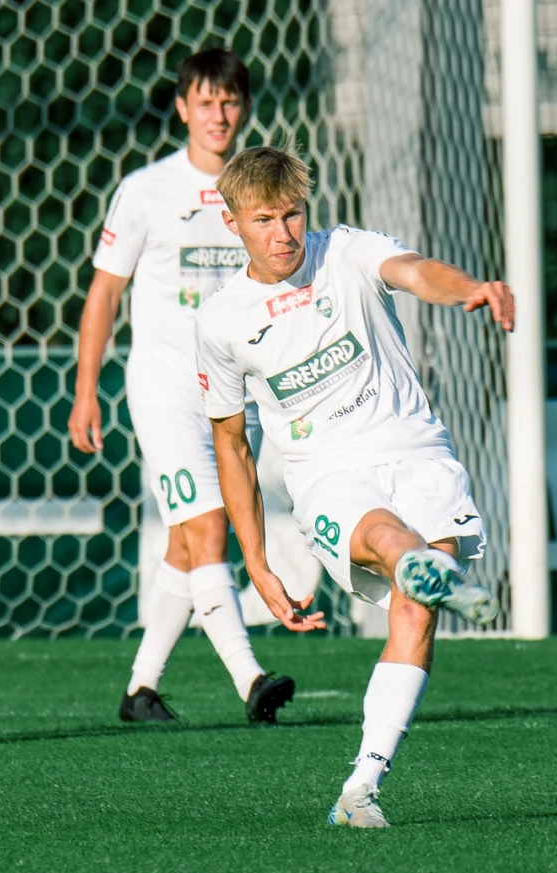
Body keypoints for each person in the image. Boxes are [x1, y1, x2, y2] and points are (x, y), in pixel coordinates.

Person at [196, 146, 514, 827]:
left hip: (416, 450)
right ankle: (417, 563)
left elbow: (414, 270)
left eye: (291, 215)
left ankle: (362, 786)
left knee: (415, 612)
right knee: (397, 549)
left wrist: (471, 288)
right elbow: (232, 444)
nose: (282, 234)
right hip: (327, 475)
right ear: (233, 224)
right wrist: (256, 560)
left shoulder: (345, 251)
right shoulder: (221, 321)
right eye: (263, 220)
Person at [68, 49, 295, 725]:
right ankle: (250, 679)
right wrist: (86, 390)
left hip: (234, 395)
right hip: (165, 389)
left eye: (229, 101)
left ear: (243, 107)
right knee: (210, 528)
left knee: (184, 543)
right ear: (181, 108)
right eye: (205, 102)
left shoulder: (258, 193)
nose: (218, 114)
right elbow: (105, 292)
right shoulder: (147, 190)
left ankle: (140, 690)